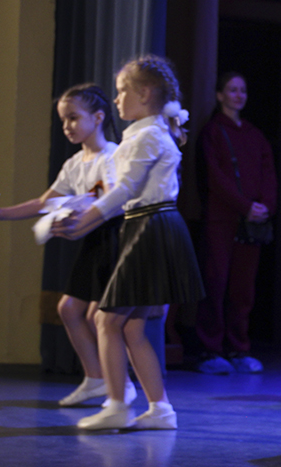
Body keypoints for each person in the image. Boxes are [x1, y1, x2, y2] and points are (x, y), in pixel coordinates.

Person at [53, 54, 205, 430]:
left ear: (145, 93)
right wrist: (82, 217)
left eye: (122, 91)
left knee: (105, 320)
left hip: (150, 227)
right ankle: (160, 409)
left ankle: (117, 404)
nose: (117, 99)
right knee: (132, 326)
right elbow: (118, 191)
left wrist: (84, 221)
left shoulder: (148, 135)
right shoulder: (142, 134)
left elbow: (124, 190)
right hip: (147, 226)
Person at [0, 83, 135, 407]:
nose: (67, 126)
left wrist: (81, 219)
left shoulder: (112, 155)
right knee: (68, 309)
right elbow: (43, 202)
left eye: (73, 118)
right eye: (63, 120)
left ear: (98, 117)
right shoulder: (74, 163)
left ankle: (122, 385)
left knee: (97, 316)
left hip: (113, 238)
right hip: (91, 240)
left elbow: (112, 200)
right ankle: (95, 379)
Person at [195, 71, 277, 374]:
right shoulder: (213, 132)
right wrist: (244, 206)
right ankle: (210, 349)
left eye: (242, 90)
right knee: (216, 283)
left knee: (243, 289)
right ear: (220, 95)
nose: (239, 95)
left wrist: (266, 206)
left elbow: (268, 173)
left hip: (251, 222)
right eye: (232, 90)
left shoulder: (255, 135)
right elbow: (215, 177)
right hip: (222, 219)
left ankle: (238, 348)